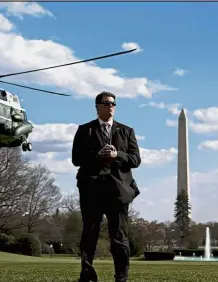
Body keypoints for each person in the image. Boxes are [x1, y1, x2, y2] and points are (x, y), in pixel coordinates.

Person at [72, 91, 141, 282]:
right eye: (106, 103)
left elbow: (135, 160)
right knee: (89, 234)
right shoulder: (84, 130)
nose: (110, 106)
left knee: (119, 237)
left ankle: (121, 277)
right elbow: (76, 159)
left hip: (118, 191)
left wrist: (116, 154)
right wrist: (97, 155)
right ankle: (87, 275)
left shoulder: (127, 131)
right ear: (97, 106)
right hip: (91, 190)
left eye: (113, 103)